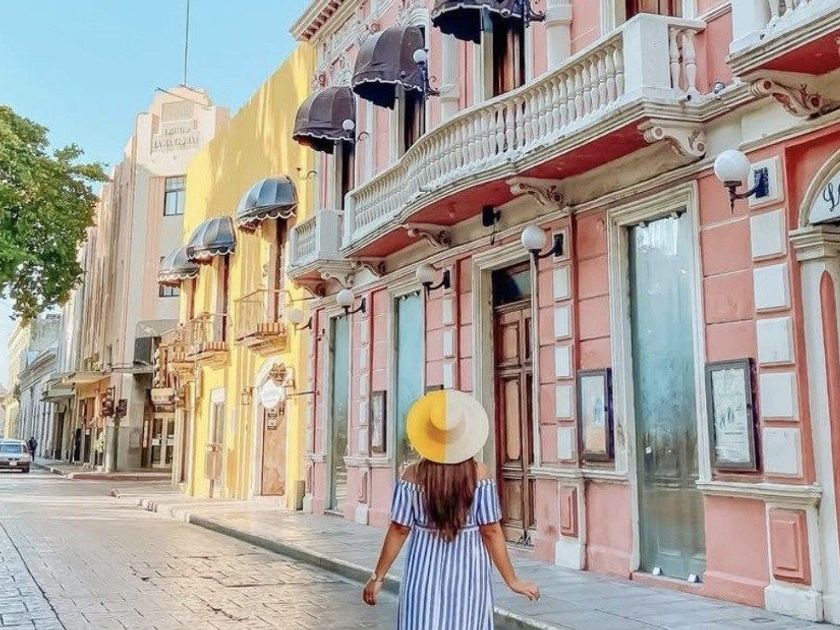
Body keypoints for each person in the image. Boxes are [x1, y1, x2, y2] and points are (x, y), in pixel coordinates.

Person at [363, 390, 540, 629]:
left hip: (423, 573)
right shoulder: (480, 474)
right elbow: (491, 531)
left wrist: (377, 577)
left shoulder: (412, 475)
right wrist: (512, 580)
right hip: (470, 576)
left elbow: (399, 529)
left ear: (427, 435)